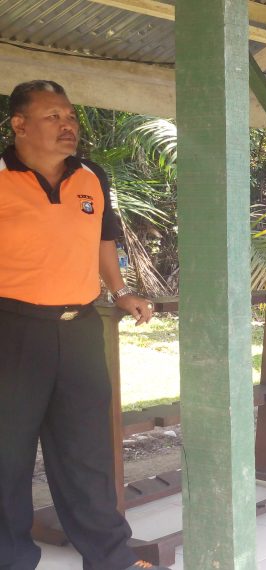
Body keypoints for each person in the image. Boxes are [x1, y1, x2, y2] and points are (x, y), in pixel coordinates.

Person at [0, 80, 161, 570]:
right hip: (13, 329)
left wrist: (121, 290)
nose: (68, 125)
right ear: (20, 125)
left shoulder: (93, 176)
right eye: (53, 116)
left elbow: (104, 239)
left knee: (87, 452)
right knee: (7, 456)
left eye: (70, 116)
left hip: (80, 327)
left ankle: (111, 558)